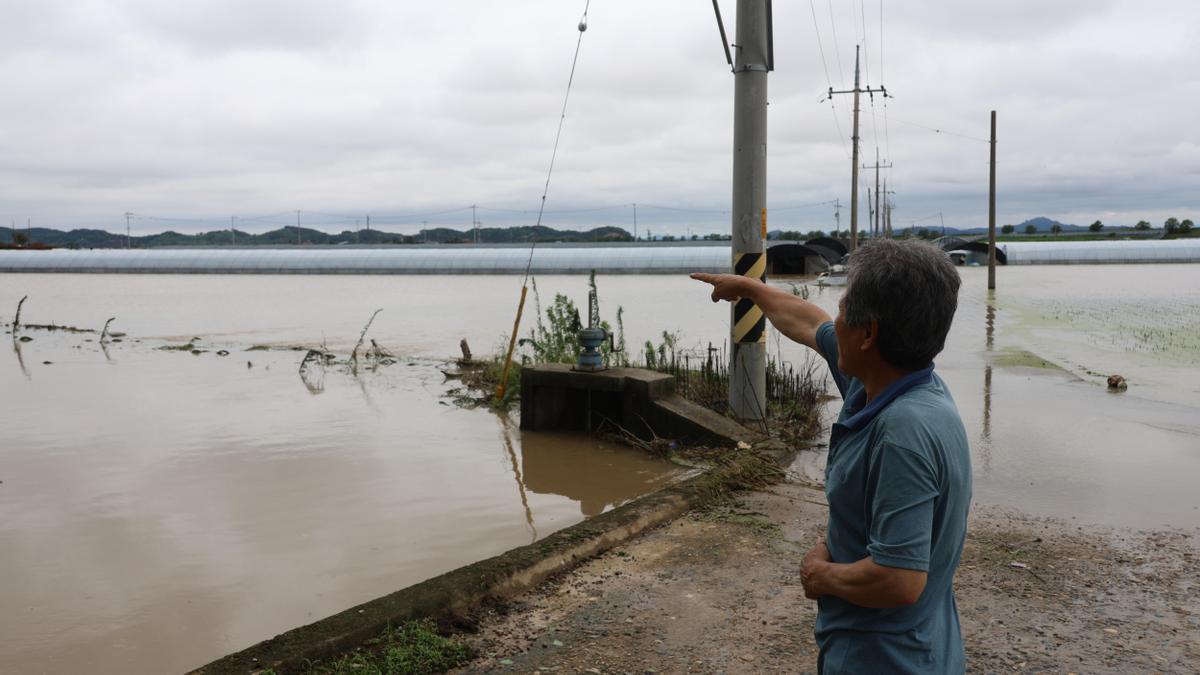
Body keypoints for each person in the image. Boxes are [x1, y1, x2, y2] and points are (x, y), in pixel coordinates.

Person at [691, 239, 971, 674]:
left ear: (868, 333)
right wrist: (752, 290)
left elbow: (899, 579)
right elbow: (809, 324)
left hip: (884, 659)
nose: (833, 321)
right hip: (915, 644)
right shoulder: (893, 384)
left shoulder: (902, 433)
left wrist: (818, 576)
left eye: (843, 311)